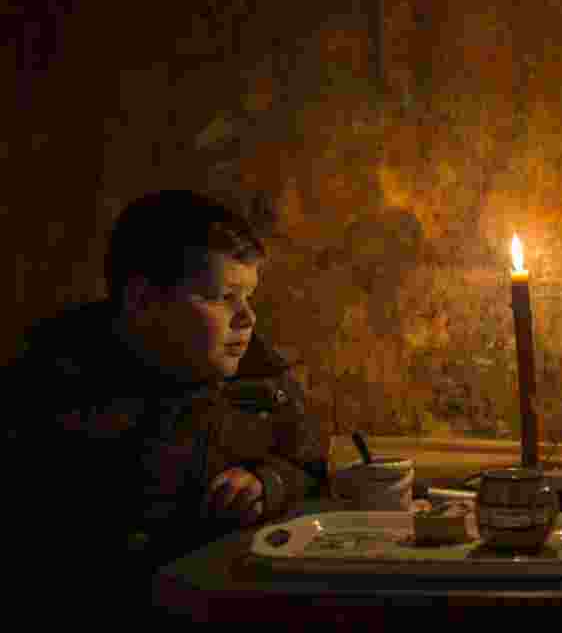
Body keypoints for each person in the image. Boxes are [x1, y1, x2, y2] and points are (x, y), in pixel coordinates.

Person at [4, 190, 326, 619]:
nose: (247, 317)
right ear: (142, 302)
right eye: (221, 296)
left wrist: (266, 482)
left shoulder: (261, 375)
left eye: (249, 296)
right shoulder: (46, 388)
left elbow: (309, 461)